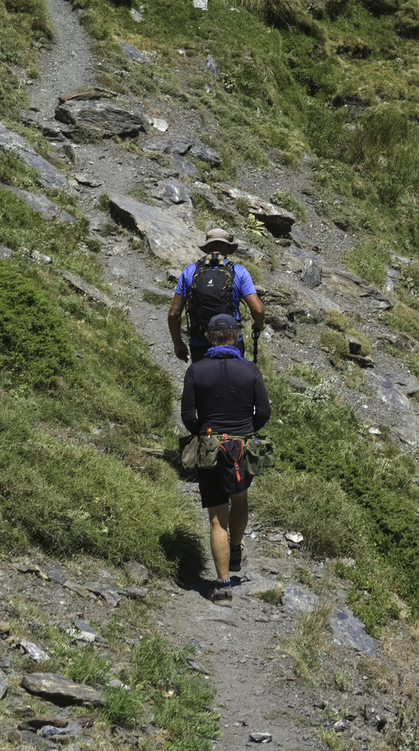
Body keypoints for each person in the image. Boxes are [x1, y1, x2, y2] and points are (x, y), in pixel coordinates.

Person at [179, 314, 270, 600]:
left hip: (209, 448)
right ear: (236, 337)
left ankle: (222, 584)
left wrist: (206, 436)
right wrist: (245, 431)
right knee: (240, 499)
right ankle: (235, 549)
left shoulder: (196, 371)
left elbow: (187, 416)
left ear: (209, 339)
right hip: (241, 448)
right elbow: (264, 412)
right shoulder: (251, 370)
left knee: (217, 518)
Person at [168, 227, 266, 363]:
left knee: (202, 382)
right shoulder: (238, 271)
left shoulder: (190, 271)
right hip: (231, 343)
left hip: (200, 342)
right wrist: (259, 324)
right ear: (227, 248)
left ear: (207, 247)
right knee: (234, 382)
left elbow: (174, 313)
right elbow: (258, 309)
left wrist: (177, 343)